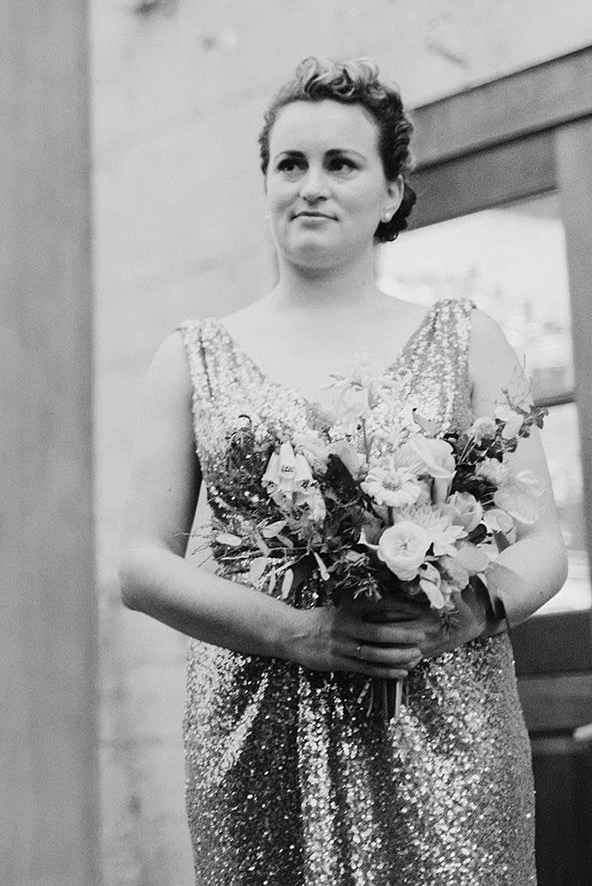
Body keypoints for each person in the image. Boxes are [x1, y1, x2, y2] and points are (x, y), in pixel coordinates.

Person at [119, 57, 568, 885]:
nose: (311, 186)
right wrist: (300, 632)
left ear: (392, 193)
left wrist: (463, 613)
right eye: (290, 164)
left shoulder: (468, 339)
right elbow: (141, 566)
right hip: (258, 727)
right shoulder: (190, 358)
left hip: (442, 715)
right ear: (265, 185)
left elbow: (544, 545)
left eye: (342, 164)